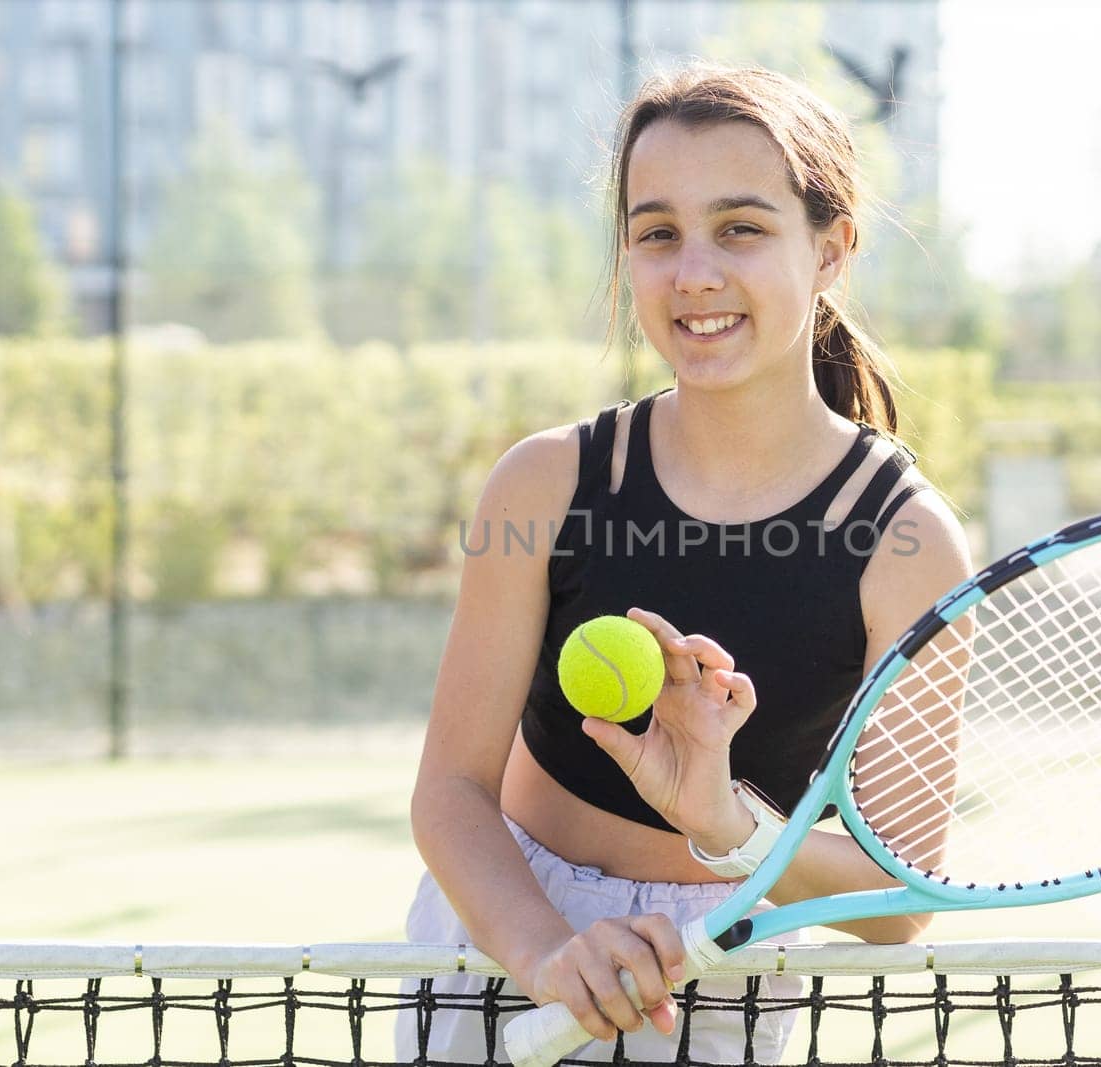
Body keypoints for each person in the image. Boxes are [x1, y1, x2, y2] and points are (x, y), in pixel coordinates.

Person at [397, 64, 973, 1064]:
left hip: (721, 972)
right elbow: (450, 791)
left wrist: (724, 820)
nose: (692, 272)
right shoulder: (543, 483)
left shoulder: (909, 542)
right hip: (502, 940)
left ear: (830, 248)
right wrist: (549, 950)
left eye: (740, 227)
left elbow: (900, 900)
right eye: (656, 232)